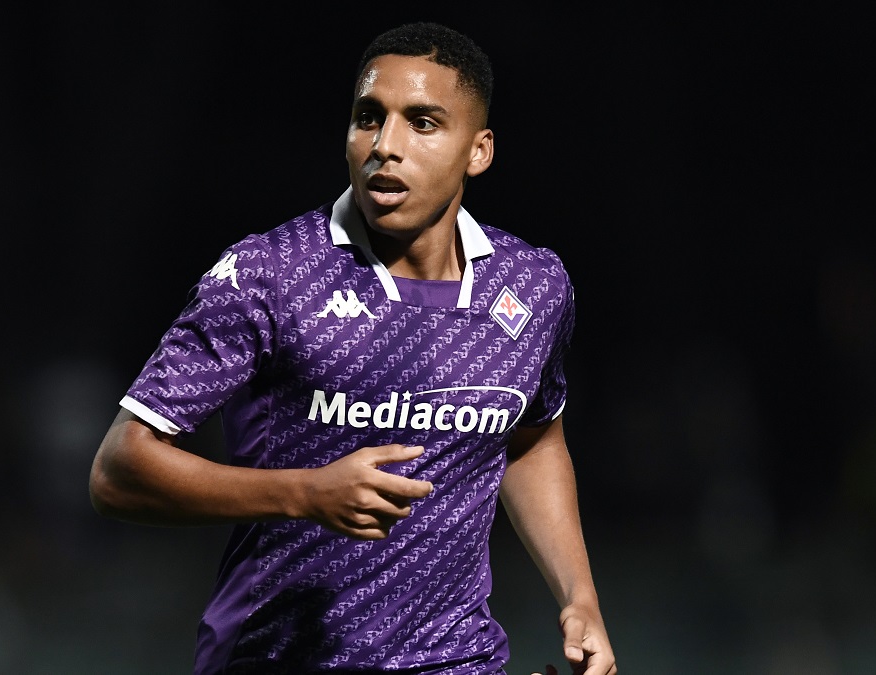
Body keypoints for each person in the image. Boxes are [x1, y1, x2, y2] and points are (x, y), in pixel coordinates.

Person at [89, 21, 617, 675]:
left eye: (422, 122)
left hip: (457, 659)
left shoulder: (532, 285)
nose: (385, 146)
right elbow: (118, 470)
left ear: (478, 151)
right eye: (369, 117)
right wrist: (305, 493)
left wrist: (579, 595)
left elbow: (532, 440)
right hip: (275, 656)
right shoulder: (272, 273)